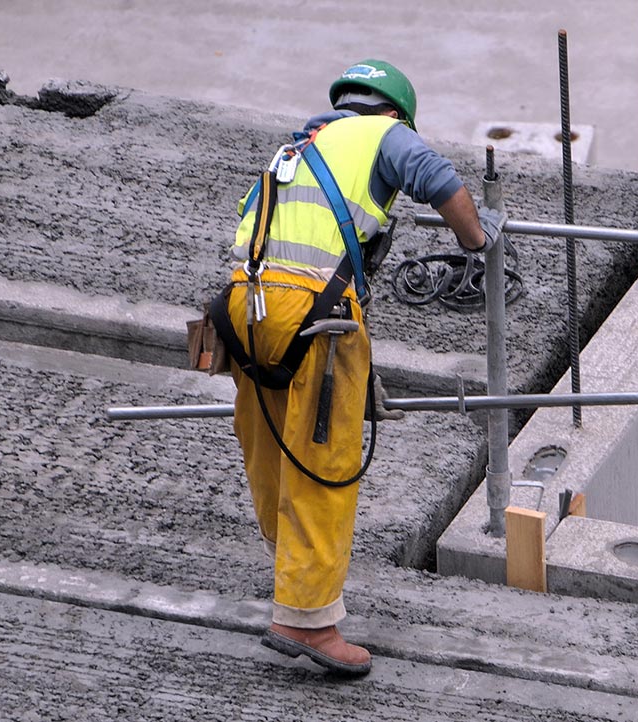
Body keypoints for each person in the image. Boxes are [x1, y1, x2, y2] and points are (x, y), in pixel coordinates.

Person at [211, 58, 496, 677]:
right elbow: (438, 179)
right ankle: (307, 621)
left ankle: (292, 575)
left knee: (270, 450)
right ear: (395, 112)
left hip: (242, 305)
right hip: (317, 316)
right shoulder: (386, 135)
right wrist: (479, 239)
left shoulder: (294, 150)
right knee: (324, 462)